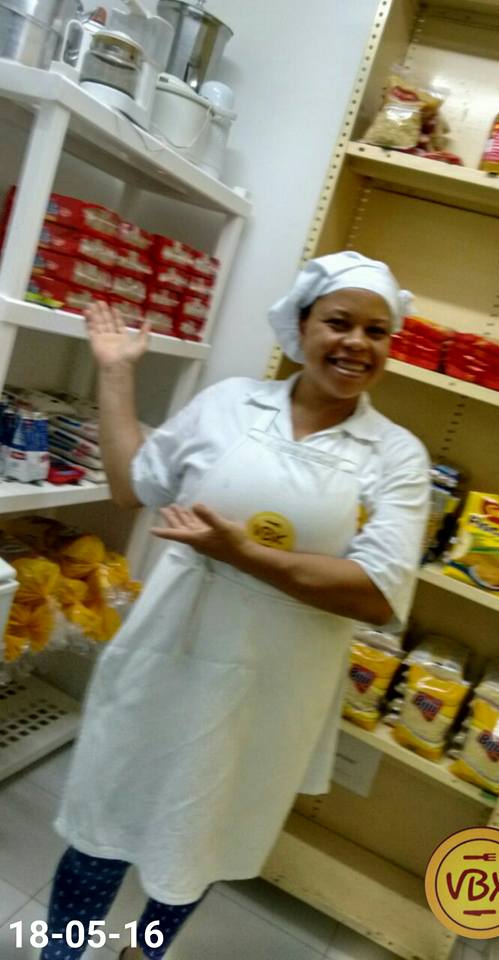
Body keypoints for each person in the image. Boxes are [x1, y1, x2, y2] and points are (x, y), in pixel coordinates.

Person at [41, 251, 430, 960]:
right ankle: (61, 952)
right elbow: (132, 486)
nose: (356, 343)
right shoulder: (227, 404)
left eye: (377, 332)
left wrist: (244, 554)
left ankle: (146, 952)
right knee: (106, 818)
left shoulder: (396, 456)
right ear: (301, 327)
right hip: (171, 650)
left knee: (202, 837)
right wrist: (116, 372)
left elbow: (376, 593)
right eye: (339, 322)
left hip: (273, 683)